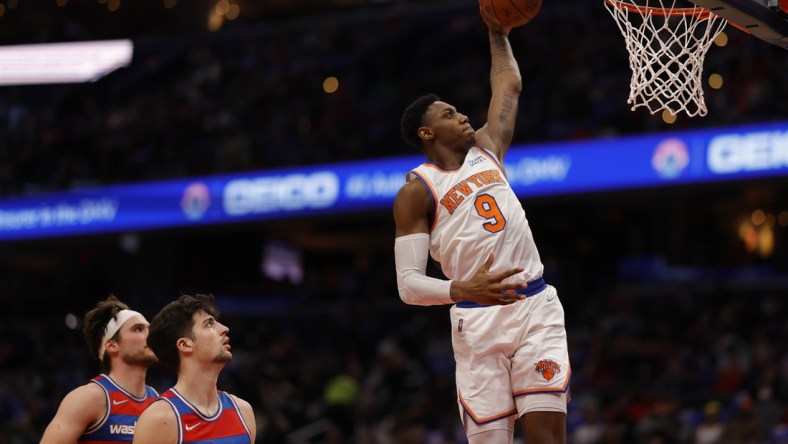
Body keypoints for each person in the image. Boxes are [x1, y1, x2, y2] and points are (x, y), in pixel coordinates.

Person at [393, 10, 570, 444]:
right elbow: (408, 284)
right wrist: (463, 289)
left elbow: (507, 84)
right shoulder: (417, 191)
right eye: (449, 114)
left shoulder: (488, 149)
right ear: (426, 133)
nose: (462, 116)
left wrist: (497, 32)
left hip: (534, 307)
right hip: (476, 321)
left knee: (547, 436)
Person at [132, 294, 256, 444]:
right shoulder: (159, 419)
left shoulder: (243, 411)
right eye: (209, 324)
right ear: (185, 345)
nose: (224, 328)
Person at [40, 295, 159, 444]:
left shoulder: (157, 400)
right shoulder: (89, 398)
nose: (151, 335)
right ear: (112, 345)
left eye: (150, 328)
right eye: (138, 329)